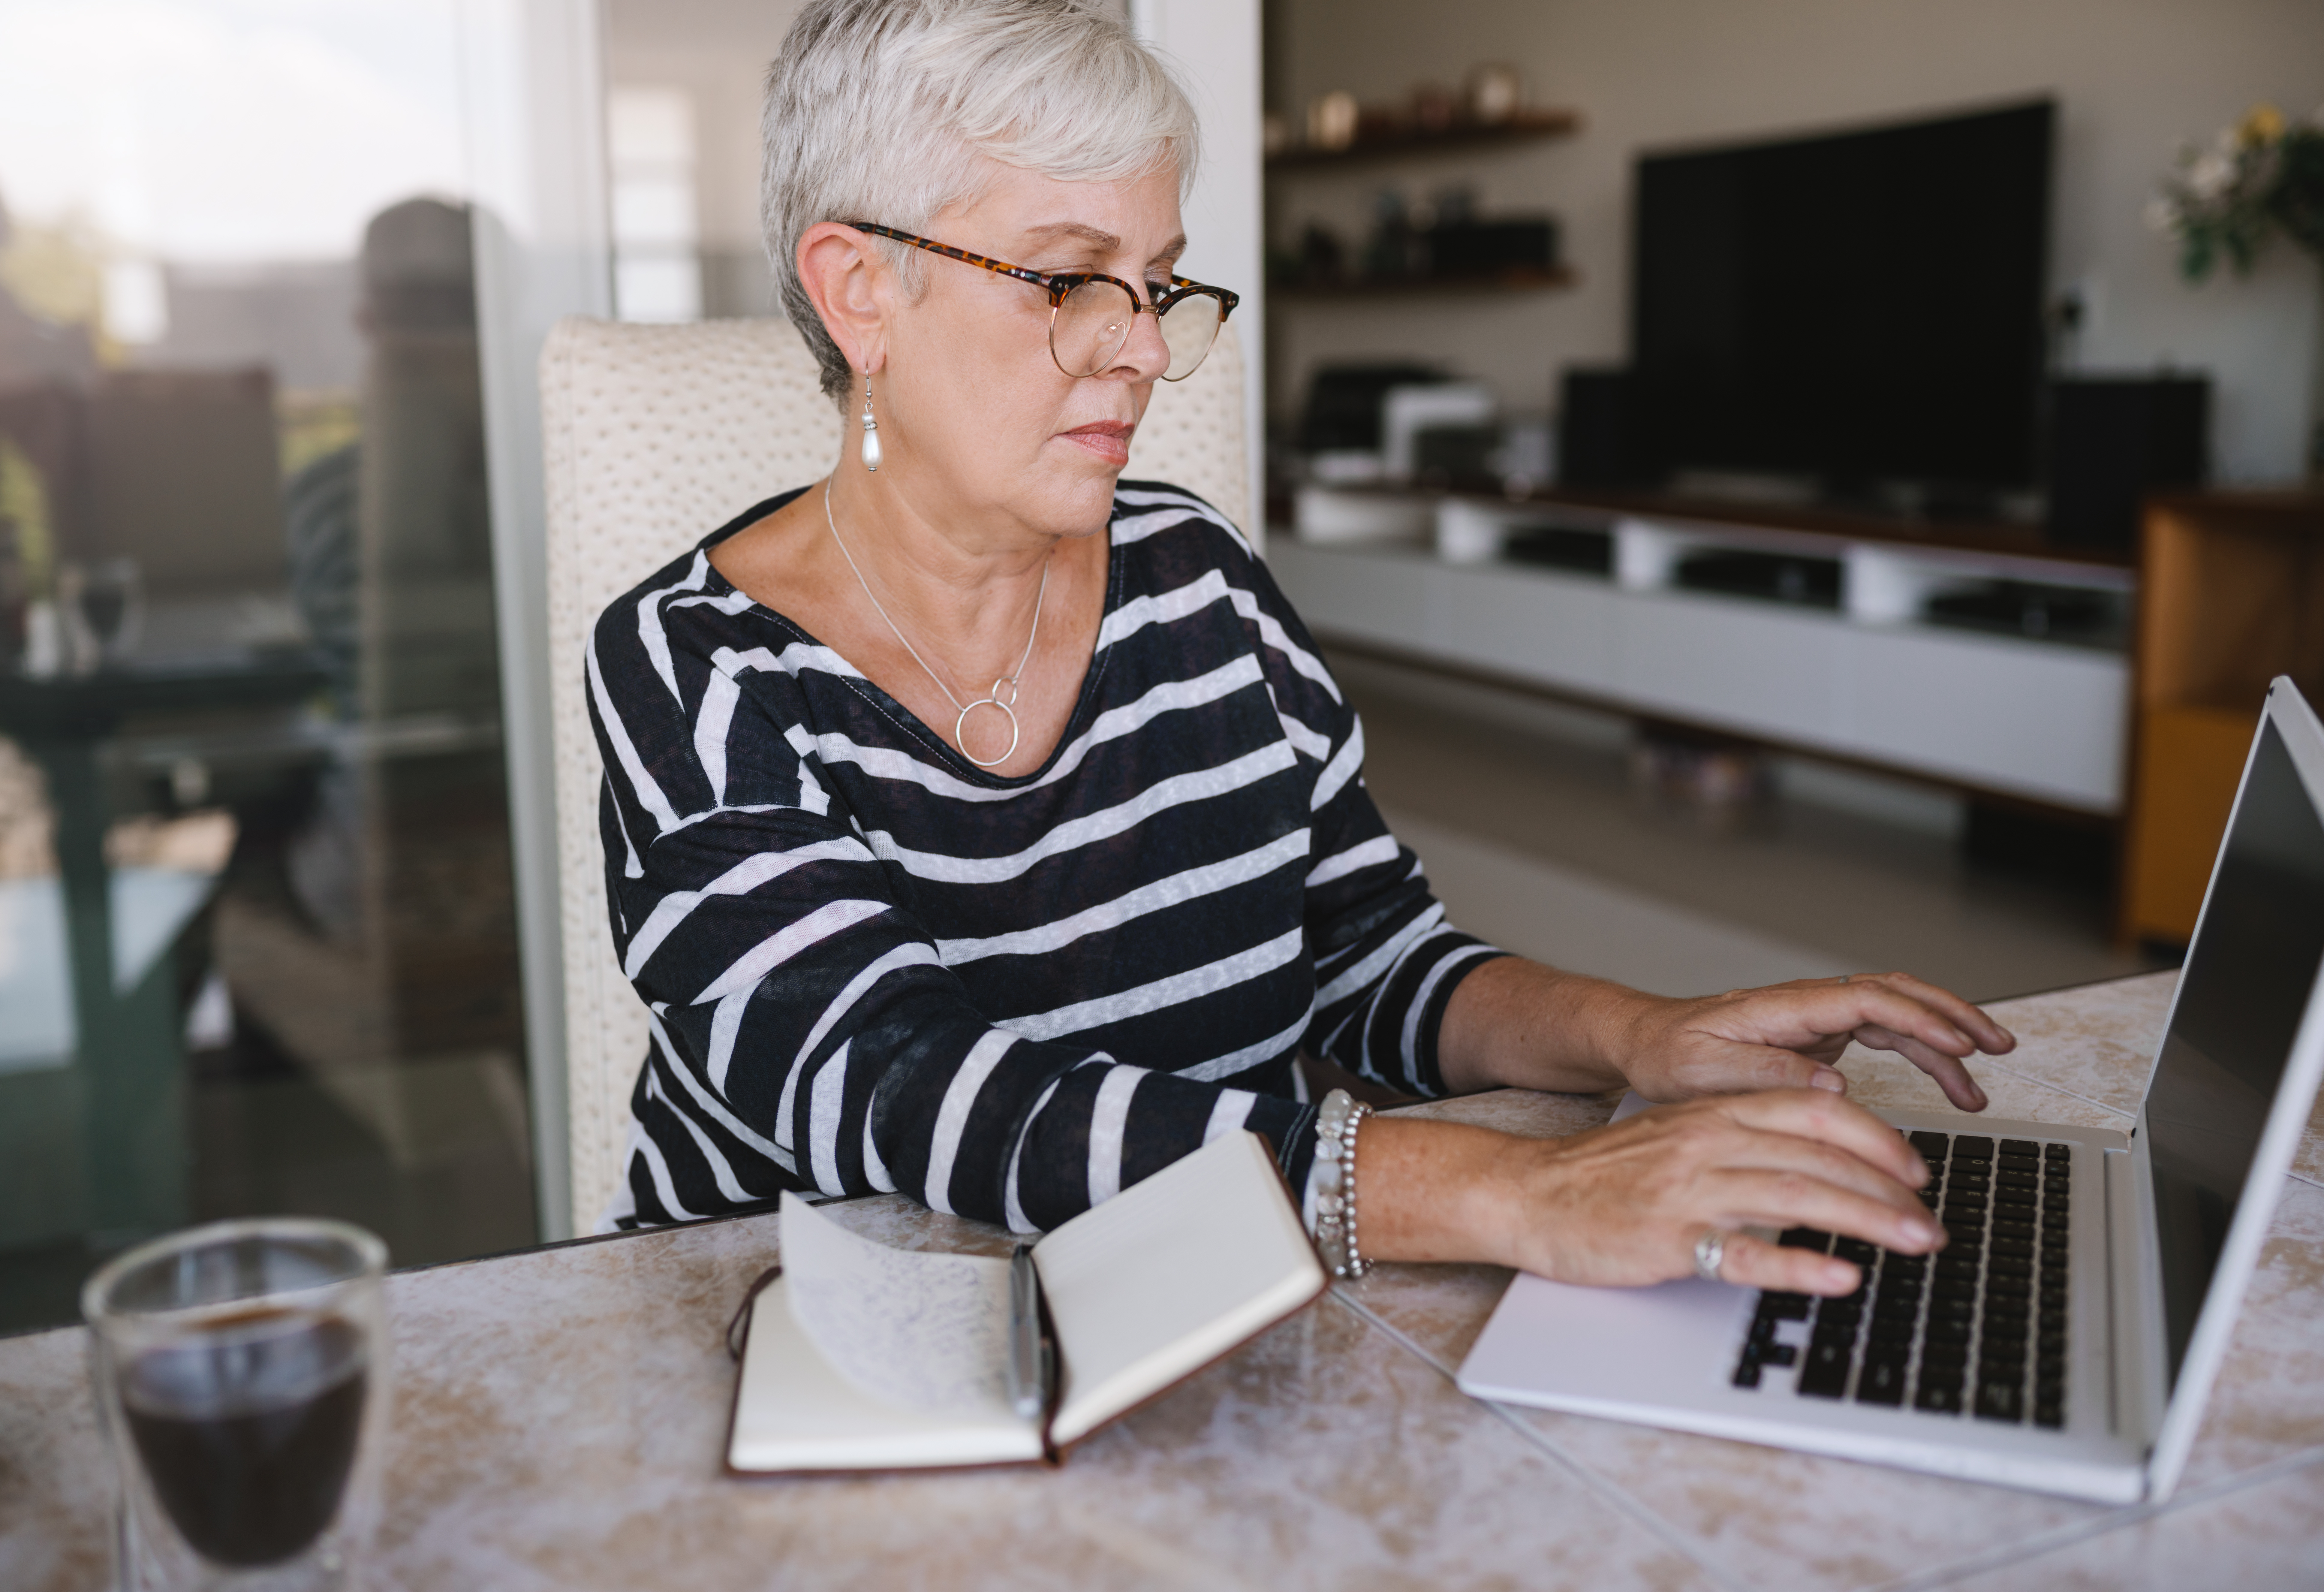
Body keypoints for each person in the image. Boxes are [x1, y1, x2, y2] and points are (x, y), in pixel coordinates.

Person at [589, 0, 2014, 1300]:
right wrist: (1518, 1190)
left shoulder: (1194, 574)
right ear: (860, 292)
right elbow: (915, 1094)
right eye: (1069, 280)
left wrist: (1635, 1035)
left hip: (1203, 1307)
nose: (1145, 350)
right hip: (818, 1356)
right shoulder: (693, 670)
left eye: (1157, 283)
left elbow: (1368, 957)